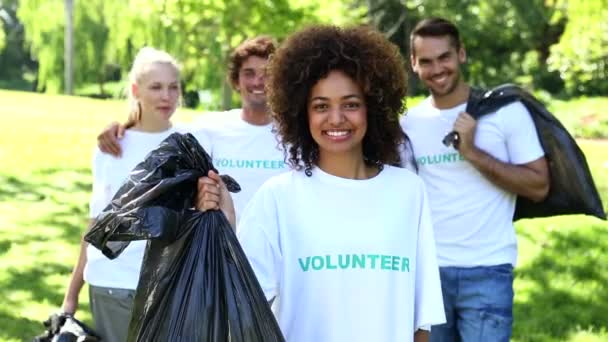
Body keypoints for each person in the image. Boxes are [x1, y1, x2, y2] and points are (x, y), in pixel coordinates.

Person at [197, 25, 445, 342]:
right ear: (302, 113)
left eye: (351, 104)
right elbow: (236, 302)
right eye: (321, 106)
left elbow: (421, 320)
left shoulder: (408, 191)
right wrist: (224, 224)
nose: (336, 118)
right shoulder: (278, 198)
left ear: (373, 108)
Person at [402, 17, 550, 342]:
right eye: (426, 61)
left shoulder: (506, 112)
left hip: (488, 270)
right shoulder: (410, 123)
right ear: (414, 64)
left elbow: (539, 186)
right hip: (430, 272)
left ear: (461, 54)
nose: (437, 68)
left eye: (444, 57)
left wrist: (472, 152)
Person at [60, 47, 182, 342]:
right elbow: (96, 224)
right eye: (156, 87)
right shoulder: (112, 148)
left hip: (169, 286)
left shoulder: (191, 143)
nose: (166, 96)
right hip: (112, 285)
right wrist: (71, 295)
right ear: (136, 90)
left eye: (173, 87)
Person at [97, 36, 287, 222]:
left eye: (267, 73)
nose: (257, 82)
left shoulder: (295, 135)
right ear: (236, 81)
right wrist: (121, 128)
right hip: (222, 249)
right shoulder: (210, 129)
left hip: (277, 252)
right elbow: (155, 130)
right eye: (249, 73)